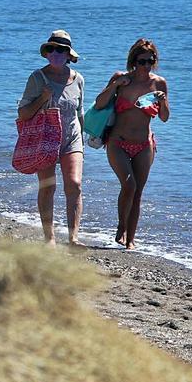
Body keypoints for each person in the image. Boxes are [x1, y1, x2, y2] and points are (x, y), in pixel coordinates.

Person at [93, 38, 169, 250]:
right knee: (129, 184)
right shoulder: (121, 78)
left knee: (138, 192)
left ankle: (130, 240)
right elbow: (100, 103)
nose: (145, 65)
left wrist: (162, 101)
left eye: (150, 61)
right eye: (141, 61)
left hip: (144, 145)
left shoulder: (159, 83)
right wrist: (116, 86)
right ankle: (121, 227)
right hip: (118, 142)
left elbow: (164, 117)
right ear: (133, 61)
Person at [18, 30, 85, 246]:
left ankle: (73, 238)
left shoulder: (79, 79)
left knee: (74, 184)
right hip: (45, 138)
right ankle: (50, 238)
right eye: (52, 49)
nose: (56, 53)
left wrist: (82, 141)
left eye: (61, 50)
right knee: (48, 186)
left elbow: (80, 112)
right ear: (47, 53)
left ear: (68, 54)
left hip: (71, 138)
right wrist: (43, 98)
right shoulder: (37, 78)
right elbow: (23, 113)